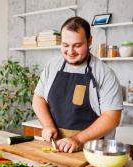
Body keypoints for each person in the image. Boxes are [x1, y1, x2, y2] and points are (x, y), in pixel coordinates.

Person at [32, 16, 123, 153]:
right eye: (65, 45)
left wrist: (78, 140)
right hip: (57, 149)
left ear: (89, 40)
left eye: (77, 45)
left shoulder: (104, 73)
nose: (70, 52)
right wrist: (48, 126)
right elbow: (38, 99)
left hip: (93, 152)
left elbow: (112, 118)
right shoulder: (52, 66)